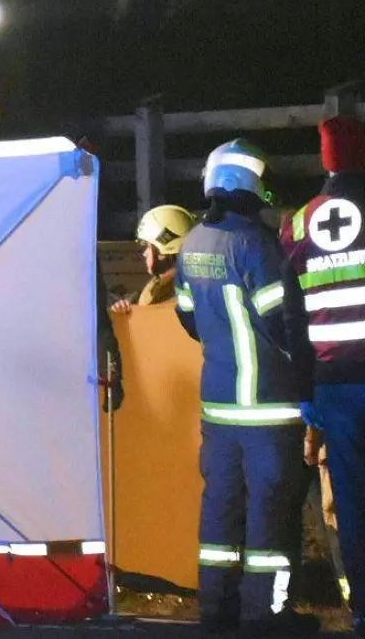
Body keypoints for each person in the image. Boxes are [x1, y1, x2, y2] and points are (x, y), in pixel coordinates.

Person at [174, 139, 318, 636]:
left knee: (220, 513)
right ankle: (268, 615)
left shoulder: (192, 243)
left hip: (218, 410)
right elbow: (285, 322)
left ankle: (216, 610)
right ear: (252, 185)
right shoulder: (257, 245)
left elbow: (188, 319)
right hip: (269, 411)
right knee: (270, 521)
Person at [282, 114, 365, 635]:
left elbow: (293, 317)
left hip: (332, 387)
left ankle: (363, 611)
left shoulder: (297, 223)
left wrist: (304, 392)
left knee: (353, 503)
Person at [111, 204, 196, 314]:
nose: (144, 253)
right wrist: (126, 305)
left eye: (147, 246)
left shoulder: (175, 291)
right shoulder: (161, 285)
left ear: (162, 251)